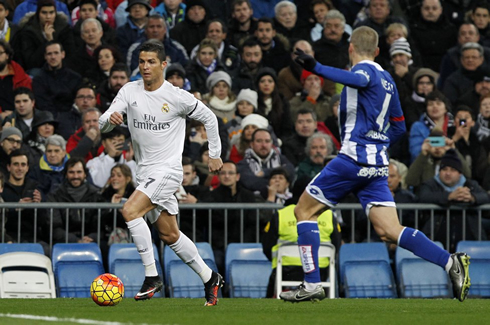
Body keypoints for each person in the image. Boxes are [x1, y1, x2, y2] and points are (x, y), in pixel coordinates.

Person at [281, 26, 471, 303]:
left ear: (350, 48)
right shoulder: (388, 80)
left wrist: (318, 67)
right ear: (379, 50)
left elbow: (356, 78)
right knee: (389, 231)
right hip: (376, 166)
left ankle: (311, 284)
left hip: (352, 159)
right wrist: (378, 144)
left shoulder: (366, 72)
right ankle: (449, 261)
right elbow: (399, 126)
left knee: (304, 211)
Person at [98, 40, 224, 304]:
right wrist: (110, 121)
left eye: (151, 62)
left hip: (167, 171)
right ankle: (209, 277)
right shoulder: (129, 91)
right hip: (145, 173)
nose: (145, 66)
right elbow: (103, 124)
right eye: (142, 61)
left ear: (163, 65)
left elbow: (210, 118)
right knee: (169, 234)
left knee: (130, 211)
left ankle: (151, 276)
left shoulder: (176, 96)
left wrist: (214, 154)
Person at [418, 149, 490, 251]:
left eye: (452, 170)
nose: (448, 173)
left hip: (469, 239)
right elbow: (423, 196)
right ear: (440, 171)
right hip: (436, 237)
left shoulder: (470, 185)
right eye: (444, 169)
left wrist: (472, 197)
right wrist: (449, 196)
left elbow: (486, 197)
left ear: (460, 173)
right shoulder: (430, 184)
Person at [32, 41, 82, 118]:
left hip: (72, 118)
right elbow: (43, 105)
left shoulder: (75, 78)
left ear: (63, 54)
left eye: (56, 53)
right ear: (45, 56)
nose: (53, 57)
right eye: (49, 54)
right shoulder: (38, 79)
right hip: (49, 119)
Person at [0, 39, 31, 119]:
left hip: (20, 117)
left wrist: (15, 114)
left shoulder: (21, 77)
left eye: (0, 53)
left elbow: (29, 101)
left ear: (7, 55)